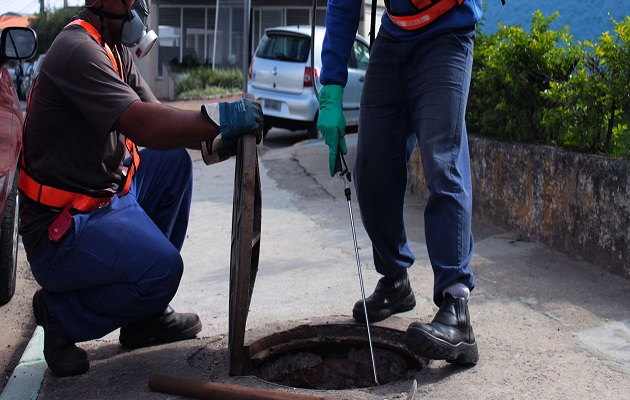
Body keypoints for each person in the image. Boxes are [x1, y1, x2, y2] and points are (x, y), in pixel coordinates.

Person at [19, 0, 262, 377]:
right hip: (62, 231)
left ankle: (144, 319)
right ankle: (61, 316)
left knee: (173, 166)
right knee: (162, 271)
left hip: (106, 201)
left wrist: (219, 131)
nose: (141, 8)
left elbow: (157, 112)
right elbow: (145, 125)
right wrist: (218, 119)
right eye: (133, 1)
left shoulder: (113, 48)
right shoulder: (77, 52)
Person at [317, 0, 482, 365]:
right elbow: (344, 3)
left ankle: (457, 309)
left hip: (446, 31)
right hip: (394, 36)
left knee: (443, 161)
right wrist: (330, 86)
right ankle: (395, 280)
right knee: (372, 168)